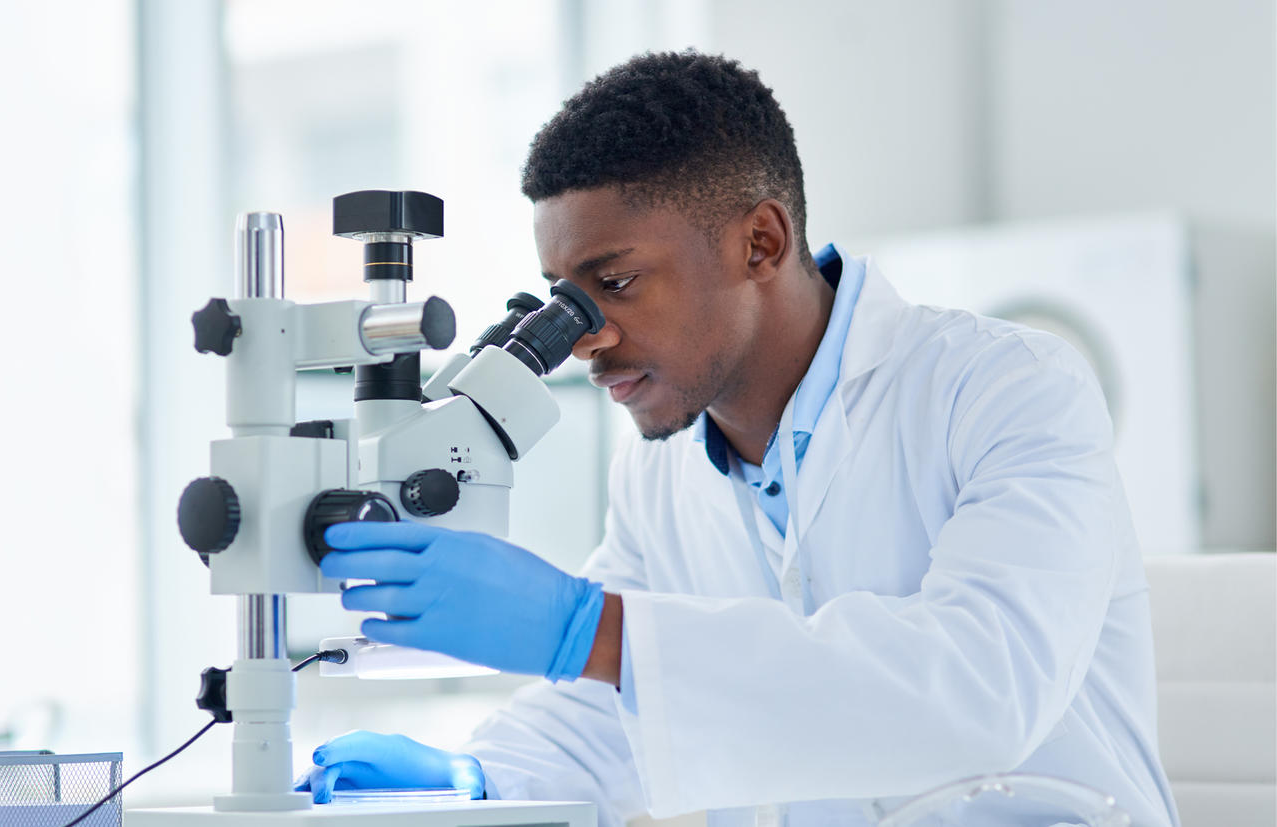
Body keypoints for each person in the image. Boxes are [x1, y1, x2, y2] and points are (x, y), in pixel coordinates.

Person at [296, 51, 1179, 827]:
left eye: (614, 282)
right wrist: (478, 773)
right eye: (562, 297)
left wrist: (585, 628)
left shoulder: (1009, 389)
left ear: (760, 242)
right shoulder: (658, 474)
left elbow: (982, 685)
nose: (586, 335)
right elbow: (617, 710)